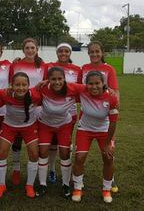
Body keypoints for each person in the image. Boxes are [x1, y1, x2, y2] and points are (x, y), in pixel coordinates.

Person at [71, 71, 119, 203]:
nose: (94, 86)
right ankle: (77, 187)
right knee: (79, 157)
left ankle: (106, 189)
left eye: (97, 83)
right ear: (86, 85)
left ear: (103, 83)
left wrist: (108, 142)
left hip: (104, 131)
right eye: (90, 84)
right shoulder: (82, 91)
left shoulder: (112, 98)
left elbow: (113, 122)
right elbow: (63, 85)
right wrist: (46, 82)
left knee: (108, 158)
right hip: (85, 129)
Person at [0, 72, 42, 199]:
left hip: (29, 127)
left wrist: (44, 83)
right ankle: (1, 185)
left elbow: (50, 93)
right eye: (17, 85)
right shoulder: (5, 94)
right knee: (2, 153)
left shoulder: (36, 95)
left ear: (29, 85)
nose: (21, 88)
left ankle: (29, 185)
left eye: (24, 85)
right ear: (12, 86)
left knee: (34, 153)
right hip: (9, 126)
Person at [81, 41, 120, 192]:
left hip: (105, 115)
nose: (94, 54)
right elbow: (82, 89)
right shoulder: (84, 68)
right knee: (82, 152)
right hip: (88, 114)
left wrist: (115, 109)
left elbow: (115, 91)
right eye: (91, 52)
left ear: (102, 52)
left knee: (108, 150)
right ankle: (78, 178)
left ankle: (111, 179)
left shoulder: (109, 69)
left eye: (97, 51)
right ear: (88, 53)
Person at [36, 66, 81, 198]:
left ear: (64, 79)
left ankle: (66, 184)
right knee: (43, 151)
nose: (57, 82)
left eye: (60, 79)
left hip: (64, 125)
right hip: (45, 124)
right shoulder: (43, 88)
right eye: (53, 79)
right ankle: (43, 184)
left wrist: (107, 89)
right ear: (48, 80)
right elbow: (26, 92)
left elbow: (90, 88)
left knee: (65, 152)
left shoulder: (72, 88)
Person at [8, 38, 46, 185]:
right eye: (27, 48)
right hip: (17, 106)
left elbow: (47, 82)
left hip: (36, 107)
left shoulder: (43, 65)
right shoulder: (16, 64)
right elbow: (11, 84)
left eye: (33, 48)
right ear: (23, 49)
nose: (30, 50)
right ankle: (16, 170)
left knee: (37, 142)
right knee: (16, 138)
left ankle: (46, 172)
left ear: (37, 49)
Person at [44, 43, 82, 183]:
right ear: (57, 52)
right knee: (52, 142)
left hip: (69, 112)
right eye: (61, 51)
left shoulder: (77, 69)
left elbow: (80, 89)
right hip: (51, 112)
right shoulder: (48, 66)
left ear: (70, 53)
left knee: (66, 143)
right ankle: (52, 169)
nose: (63, 53)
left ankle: (67, 170)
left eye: (66, 51)